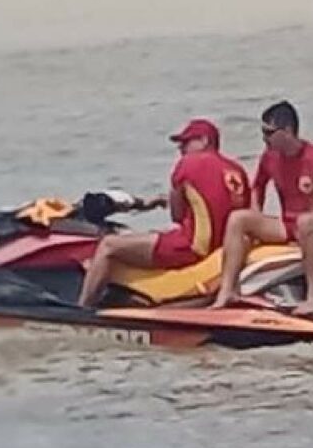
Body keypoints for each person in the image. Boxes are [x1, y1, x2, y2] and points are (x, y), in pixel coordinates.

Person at [77, 119, 250, 307]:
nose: (181, 149)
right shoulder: (237, 170)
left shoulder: (187, 164)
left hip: (192, 247)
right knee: (150, 235)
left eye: (186, 142)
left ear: (204, 140)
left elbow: (176, 215)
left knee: (108, 245)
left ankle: (82, 308)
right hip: (224, 246)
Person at [211, 101, 313, 317]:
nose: (264, 138)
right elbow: (257, 187)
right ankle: (227, 291)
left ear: (288, 131)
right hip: (289, 224)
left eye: (269, 132)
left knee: (306, 221)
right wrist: (255, 214)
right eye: (262, 132)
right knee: (238, 219)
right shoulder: (270, 157)